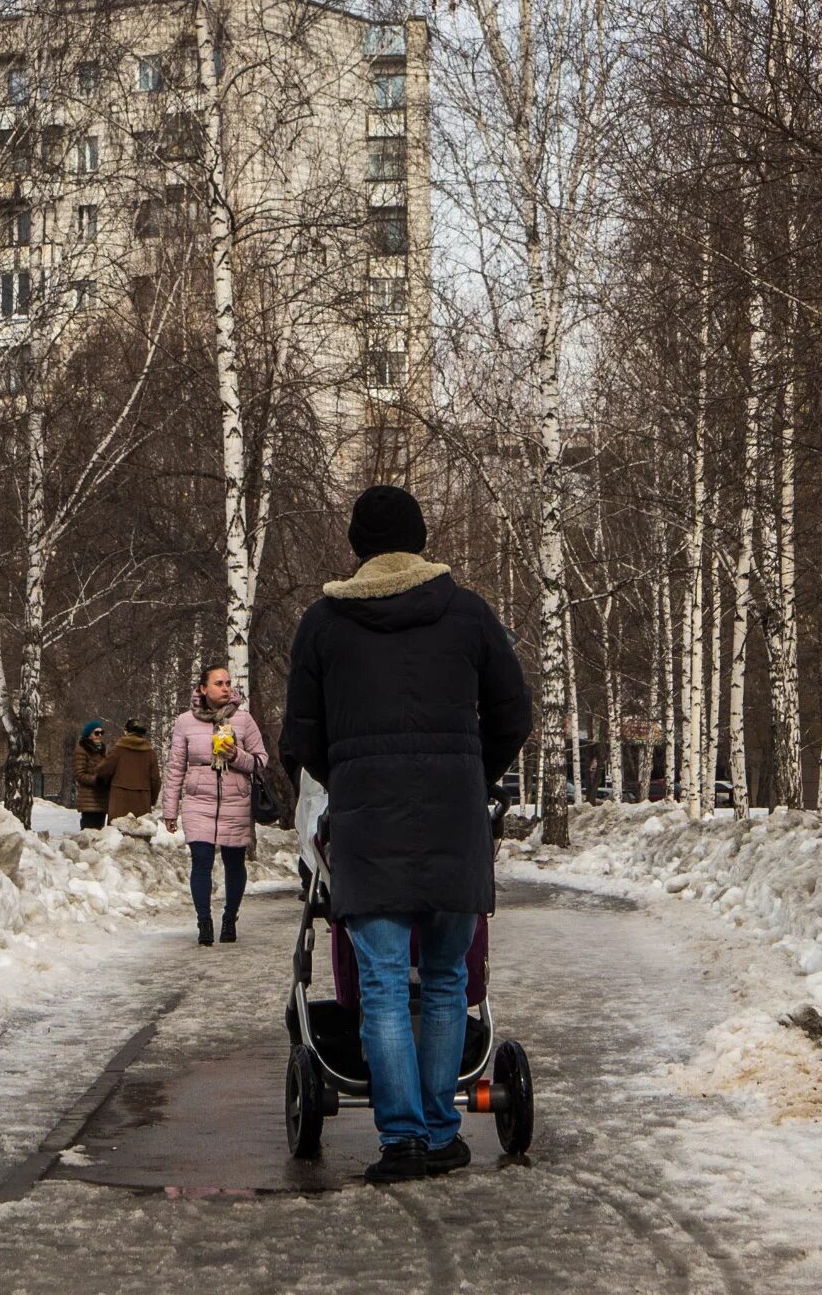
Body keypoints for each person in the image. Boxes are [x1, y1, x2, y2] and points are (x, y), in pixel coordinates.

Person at [279, 485, 530, 1185]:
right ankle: (443, 1133)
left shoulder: (324, 624)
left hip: (367, 826)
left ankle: (403, 1143)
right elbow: (514, 714)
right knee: (447, 978)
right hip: (455, 818)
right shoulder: (469, 613)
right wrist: (471, 774)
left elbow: (299, 737)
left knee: (384, 984)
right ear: (420, 538)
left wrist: (352, 777)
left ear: (356, 544)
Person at [160, 665, 269, 946]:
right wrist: (170, 810)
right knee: (201, 862)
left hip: (236, 800)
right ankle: (204, 922)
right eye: (218, 683)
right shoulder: (185, 722)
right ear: (202, 689)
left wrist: (237, 756)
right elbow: (174, 768)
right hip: (198, 801)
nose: (225, 688)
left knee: (234, 862)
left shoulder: (243, 720)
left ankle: (230, 918)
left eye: (228, 683)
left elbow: (261, 760)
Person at [92, 719, 160, 824]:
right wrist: (151, 800)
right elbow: (155, 781)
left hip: (119, 801)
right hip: (142, 802)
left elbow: (102, 771)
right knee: (140, 835)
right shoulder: (150, 754)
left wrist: (106, 785)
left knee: (117, 835)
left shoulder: (117, 750)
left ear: (126, 732)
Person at [73, 720, 112, 829]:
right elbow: (79, 774)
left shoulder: (102, 751)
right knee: (88, 834)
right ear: (88, 734)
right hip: (89, 801)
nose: (99, 735)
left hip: (101, 801)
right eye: (96, 733)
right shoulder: (82, 750)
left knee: (99, 836)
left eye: (101, 733)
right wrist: (97, 780)